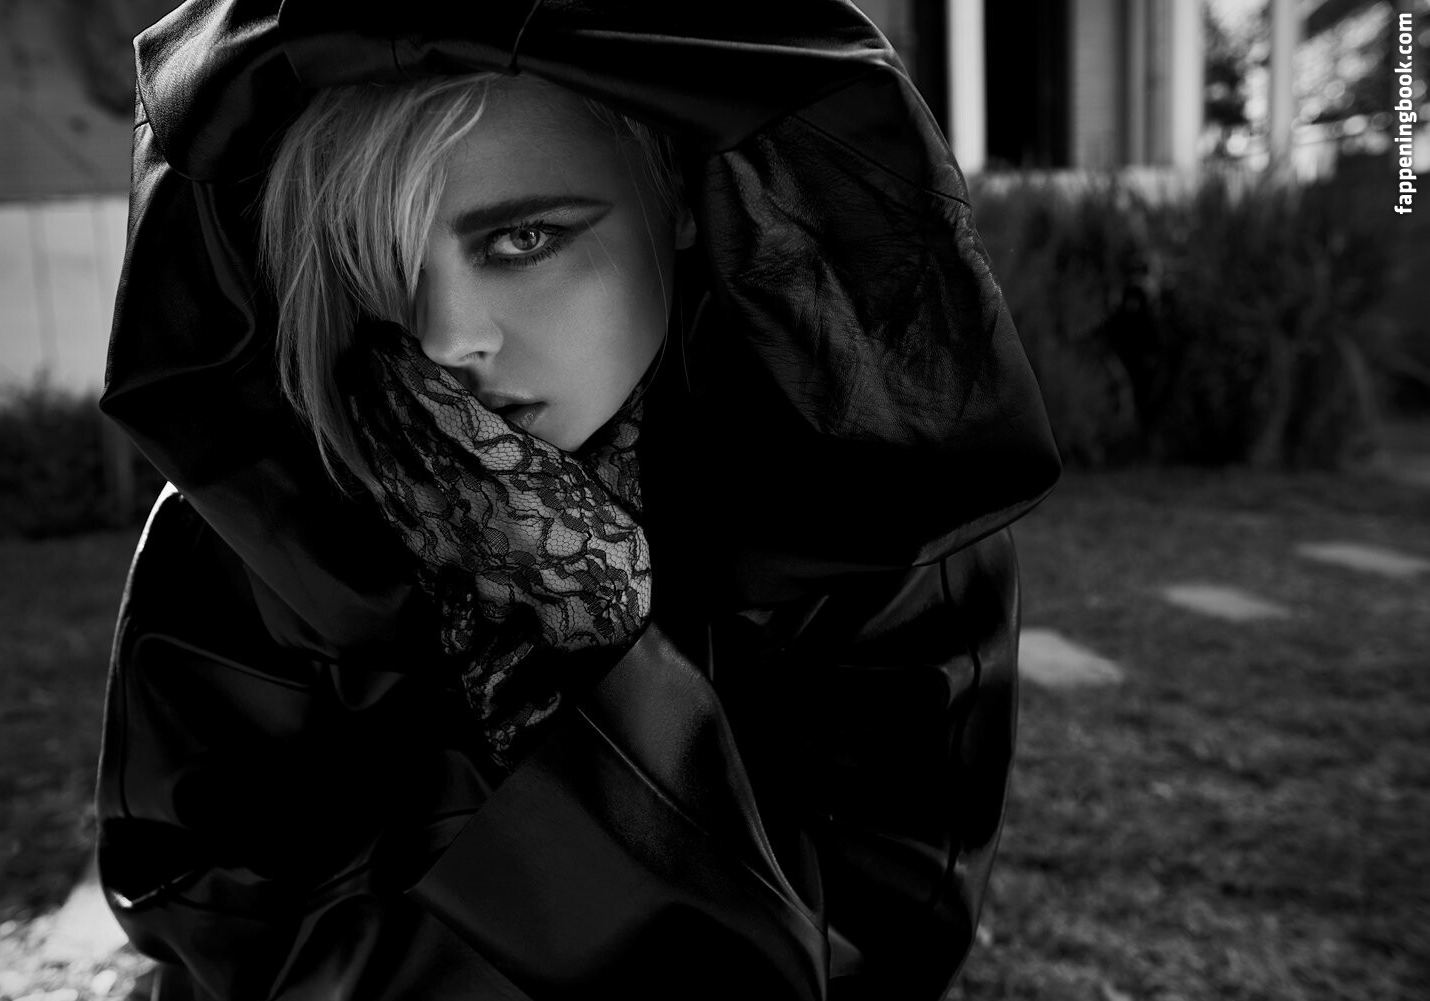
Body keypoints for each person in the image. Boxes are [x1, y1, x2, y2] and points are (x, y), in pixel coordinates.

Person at [94, 3, 1060, 999]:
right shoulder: (254, 523)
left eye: (522, 238)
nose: (446, 337)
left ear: (678, 194)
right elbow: (219, 923)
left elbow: (880, 952)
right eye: (375, 260)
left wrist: (593, 667)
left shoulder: (881, 523)